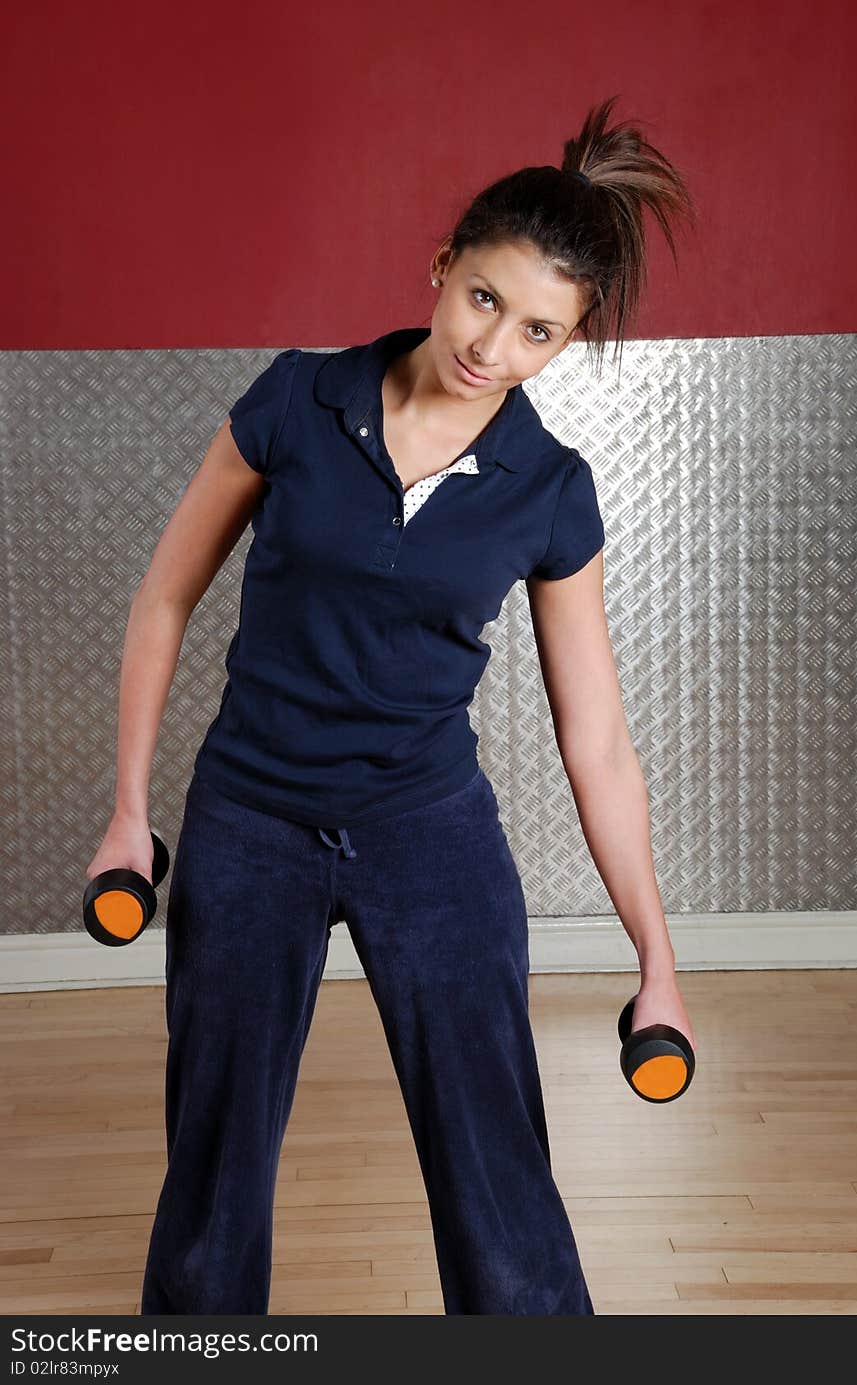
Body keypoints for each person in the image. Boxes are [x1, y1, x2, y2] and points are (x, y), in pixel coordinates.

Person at [86, 96, 698, 1316]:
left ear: (563, 346)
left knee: (496, 1169)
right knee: (211, 1169)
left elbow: (599, 739)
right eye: (482, 300)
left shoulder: (549, 490)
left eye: (537, 331)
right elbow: (163, 601)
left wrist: (658, 955)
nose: (493, 347)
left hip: (429, 830)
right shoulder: (296, 402)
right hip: (252, 819)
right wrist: (127, 812)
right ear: (440, 267)